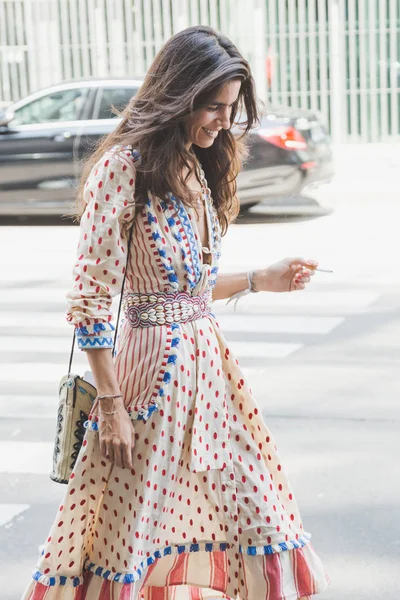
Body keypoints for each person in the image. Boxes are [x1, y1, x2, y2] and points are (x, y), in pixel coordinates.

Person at [22, 25, 330, 600]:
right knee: (131, 537)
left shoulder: (195, 165)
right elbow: (91, 298)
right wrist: (109, 404)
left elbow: (190, 287)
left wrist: (263, 279)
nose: (222, 120)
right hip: (147, 383)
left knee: (259, 513)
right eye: (213, 107)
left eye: (230, 108)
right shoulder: (124, 166)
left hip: (212, 379)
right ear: (179, 95)